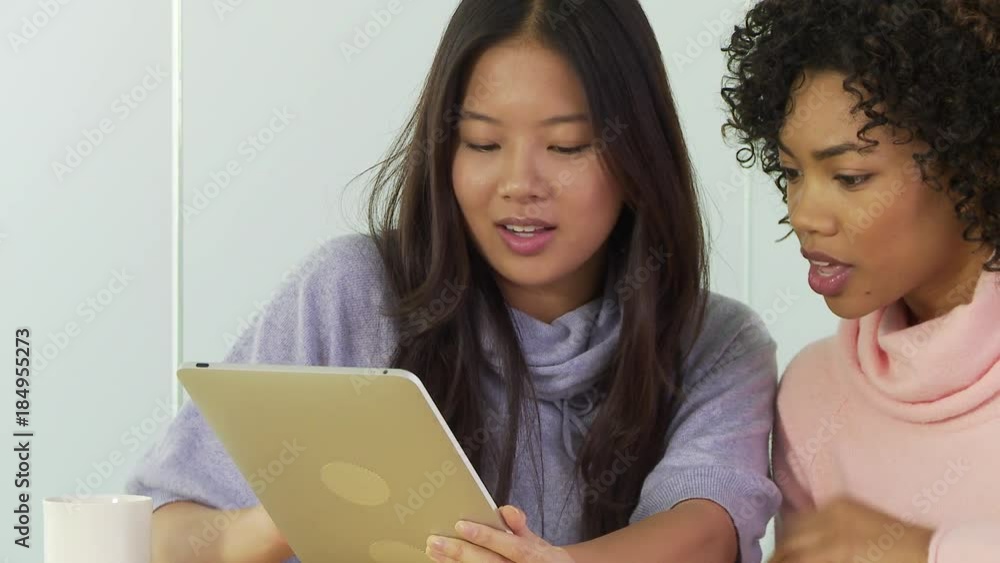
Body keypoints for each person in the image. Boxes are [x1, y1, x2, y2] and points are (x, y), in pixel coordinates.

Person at [129, 1, 781, 562]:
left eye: (567, 146)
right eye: (482, 142)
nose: (520, 184)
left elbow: (707, 529)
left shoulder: (714, 341)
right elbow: (162, 532)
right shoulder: (356, 291)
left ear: (637, 151)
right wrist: (295, 508)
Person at [721, 0, 1000, 561]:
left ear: (970, 165)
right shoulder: (813, 393)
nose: (803, 213)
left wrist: (927, 551)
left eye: (849, 176)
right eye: (792, 173)